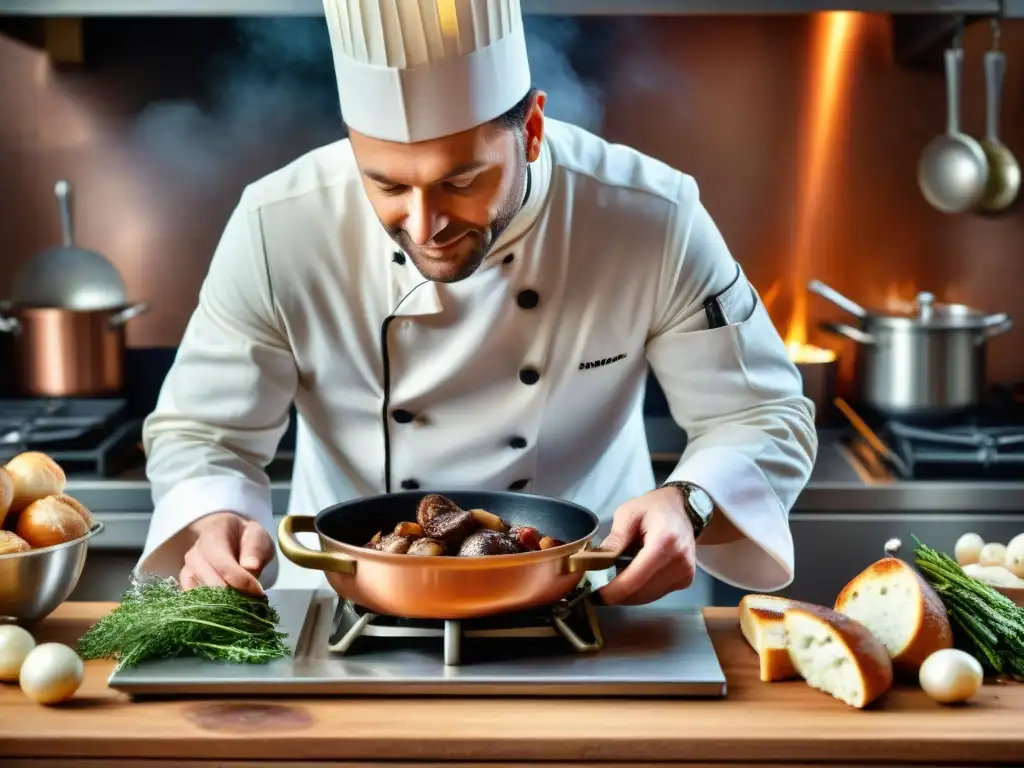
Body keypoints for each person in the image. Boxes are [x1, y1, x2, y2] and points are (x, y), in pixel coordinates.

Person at [137, 0, 817, 605]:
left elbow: (761, 413)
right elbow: (205, 433)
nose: (425, 223)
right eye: (387, 185)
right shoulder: (276, 223)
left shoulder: (651, 215)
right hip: (351, 601)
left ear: (532, 130)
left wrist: (689, 502)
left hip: (599, 598)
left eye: (461, 180)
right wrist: (213, 517)